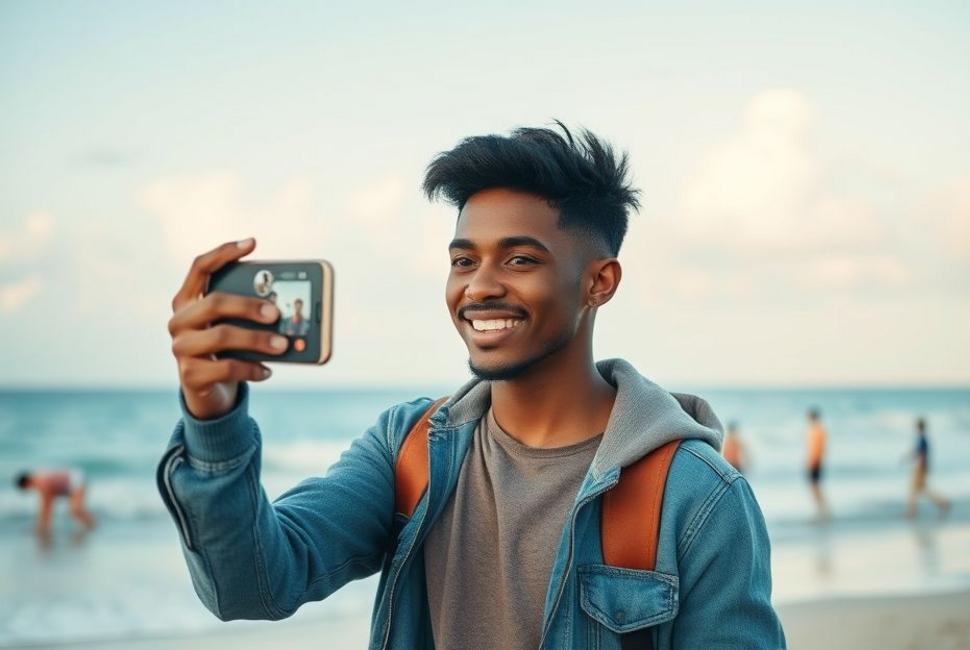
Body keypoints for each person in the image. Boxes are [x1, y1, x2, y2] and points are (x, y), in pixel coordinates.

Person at [161, 123, 785, 648]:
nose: (479, 286)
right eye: (464, 260)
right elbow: (251, 586)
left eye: (519, 260)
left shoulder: (698, 497)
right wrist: (212, 418)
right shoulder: (408, 448)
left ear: (600, 282)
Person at [15, 468, 96, 537]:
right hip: (72, 483)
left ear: (26, 484)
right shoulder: (41, 479)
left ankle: (92, 527)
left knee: (75, 510)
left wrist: (40, 527)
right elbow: (47, 508)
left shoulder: (41, 482)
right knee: (74, 510)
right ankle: (91, 526)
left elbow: (46, 508)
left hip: (75, 481)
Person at [906, 417, 950, 518]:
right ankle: (942, 503)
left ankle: (911, 512)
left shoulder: (922, 439)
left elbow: (921, 454)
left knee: (913, 489)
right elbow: (919, 453)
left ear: (918, 427)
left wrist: (919, 466)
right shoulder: (923, 439)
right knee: (922, 489)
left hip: (921, 467)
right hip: (923, 466)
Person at [805, 408, 831, 521]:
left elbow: (817, 448)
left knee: (815, 487)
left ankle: (822, 509)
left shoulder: (816, 430)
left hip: (815, 462)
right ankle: (822, 509)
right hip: (816, 461)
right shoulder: (818, 430)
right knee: (815, 487)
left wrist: (813, 462)